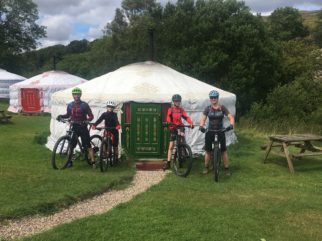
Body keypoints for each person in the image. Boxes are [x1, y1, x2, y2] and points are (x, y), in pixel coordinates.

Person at [56, 87, 95, 167]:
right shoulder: (70, 105)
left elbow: (91, 116)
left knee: (87, 145)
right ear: (72, 95)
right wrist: (61, 116)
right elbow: (68, 115)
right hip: (74, 126)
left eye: (77, 94)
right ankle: (69, 162)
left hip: (83, 126)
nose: (76, 96)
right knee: (71, 145)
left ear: (80, 95)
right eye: (74, 94)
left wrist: (87, 120)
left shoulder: (84, 105)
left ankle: (93, 162)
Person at [199, 90, 234, 175]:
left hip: (220, 131)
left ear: (217, 98)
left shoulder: (222, 108)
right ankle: (206, 167)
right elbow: (203, 119)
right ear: (210, 99)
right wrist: (201, 126)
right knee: (207, 151)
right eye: (212, 98)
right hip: (209, 131)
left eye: (215, 97)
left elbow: (231, 117)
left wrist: (231, 124)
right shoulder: (208, 108)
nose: (213, 99)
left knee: (223, 151)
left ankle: (226, 168)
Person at [164, 94, 194, 170]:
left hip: (180, 127)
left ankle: (183, 153)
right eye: (176, 101)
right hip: (173, 128)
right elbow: (168, 117)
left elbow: (186, 117)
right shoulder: (170, 109)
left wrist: (190, 123)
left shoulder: (181, 110)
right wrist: (169, 122)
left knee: (182, 142)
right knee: (171, 146)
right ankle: (168, 163)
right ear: (173, 102)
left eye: (178, 101)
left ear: (180, 101)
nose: (177, 102)